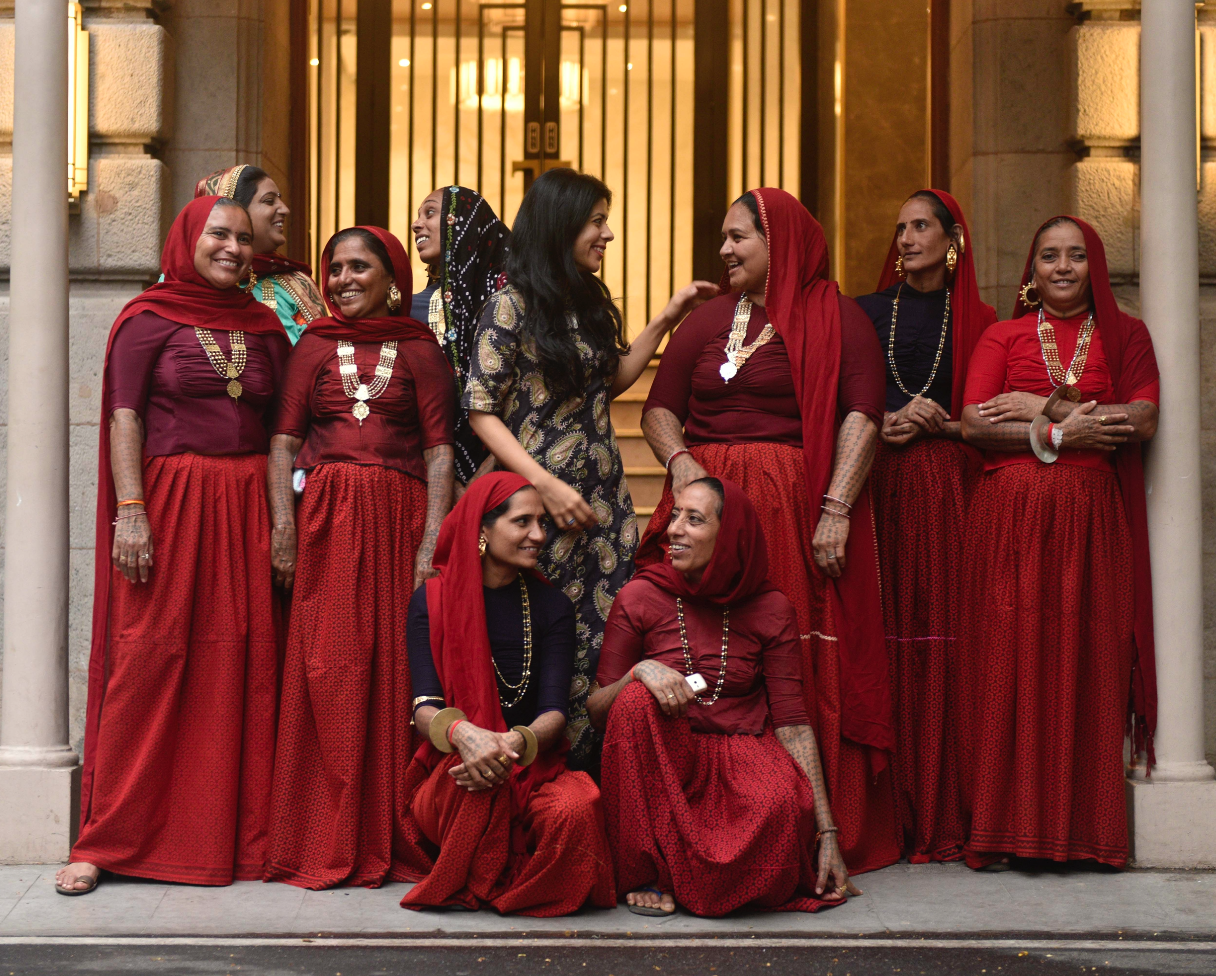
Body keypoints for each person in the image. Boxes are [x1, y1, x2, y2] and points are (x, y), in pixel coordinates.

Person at [638, 187, 900, 875]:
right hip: (707, 506)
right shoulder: (706, 321)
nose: (723, 250)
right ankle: (703, 813)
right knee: (695, 646)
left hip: (792, 507)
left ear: (777, 240)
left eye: (737, 238)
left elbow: (863, 416)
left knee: (788, 658)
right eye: (724, 238)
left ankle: (807, 820)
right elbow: (660, 410)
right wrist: (682, 461)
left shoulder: (839, 318)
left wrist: (837, 509)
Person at [57, 196, 291, 895]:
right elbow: (123, 416)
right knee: (148, 661)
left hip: (247, 507)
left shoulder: (266, 328)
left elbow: (284, 432)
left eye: (244, 239)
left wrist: (284, 522)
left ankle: (231, 838)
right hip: (170, 505)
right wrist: (132, 510)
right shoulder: (146, 317)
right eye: (219, 233)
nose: (233, 248)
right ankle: (108, 840)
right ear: (189, 236)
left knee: (241, 662)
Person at [465, 168, 716, 769]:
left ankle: (597, 783)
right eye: (597, 221)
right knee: (541, 638)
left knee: (602, 641)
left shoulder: (587, 301)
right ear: (562, 225)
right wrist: (544, 484)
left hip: (602, 504)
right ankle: (534, 777)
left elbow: (611, 382)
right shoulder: (510, 303)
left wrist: (668, 315)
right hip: (537, 506)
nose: (608, 233)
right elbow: (480, 409)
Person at [959, 216, 1159, 869]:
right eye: (1049, 256)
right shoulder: (1001, 334)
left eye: (1076, 255)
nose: (1063, 267)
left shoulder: (1126, 335)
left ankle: (1083, 836)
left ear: (1094, 265)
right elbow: (972, 423)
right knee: (1009, 662)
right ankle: (1003, 831)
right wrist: (1066, 430)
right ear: (1033, 269)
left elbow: (1143, 417)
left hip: (1088, 523)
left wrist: (1037, 406)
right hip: (1009, 522)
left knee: (1086, 660)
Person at [262, 226, 456, 889]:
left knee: (394, 670)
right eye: (335, 268)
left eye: (358, 267)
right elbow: (285, 441)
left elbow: (438, 451)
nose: (343, 279)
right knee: (328, 665)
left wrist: (431, 544)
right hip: (326, 523)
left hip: (400, 523)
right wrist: (283, 529)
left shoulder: (420, 349)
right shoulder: (313, 345)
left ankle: (386, 829)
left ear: (391, 277)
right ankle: (321, 831)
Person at [590, 478, 853, 917]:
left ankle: (693, 880)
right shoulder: (640, 594)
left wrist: (826, 832)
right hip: (666, 757)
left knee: (782, 805)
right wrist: (640, 671)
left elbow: (792, 722)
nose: (674, 529)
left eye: (694, 520)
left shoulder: (770, 607)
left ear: (730, 535)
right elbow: (600, 714)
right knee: (634, 702)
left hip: (741, 749)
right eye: (675, 515)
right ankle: (647, 872)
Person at [395, 472, 616, 915]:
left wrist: (510, 744)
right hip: (454, 772)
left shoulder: (552, 606)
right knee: (479, 782)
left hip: (529, 766)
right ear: (482, 528)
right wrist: (465, 736)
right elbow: (424, 707)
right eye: (522, 522)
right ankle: (478, 874)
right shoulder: (432, 600)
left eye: (541, 522)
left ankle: (508, 885)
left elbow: (553, 713)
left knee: (576, 807)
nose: (539, 535)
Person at [854, 189, 997, 863]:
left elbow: (983, 405)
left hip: (947, 490)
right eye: (901, 227)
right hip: (877, 482)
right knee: (881, 633)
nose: (906, 238)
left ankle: (946, 804)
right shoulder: (865, 313)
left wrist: (931, 415)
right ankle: (890, 810)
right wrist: (889, 417)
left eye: (920, 227)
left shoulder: (981, 319)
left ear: (951, 239)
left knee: (942, 637)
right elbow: (845, 390)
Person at [411, 186, 510, 484]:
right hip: (428, 472)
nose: (416, 224)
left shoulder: (509, 299)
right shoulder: (408, 307)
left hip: (509, 471)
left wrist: (486, 474)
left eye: (430, 212)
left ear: (465, 222)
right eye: (417, 216)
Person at [195, 165, 325, 343]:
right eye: (269, 201)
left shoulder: (298, 284)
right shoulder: (179, 284)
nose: (285, 209)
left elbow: (321, 357)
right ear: (234, 210)